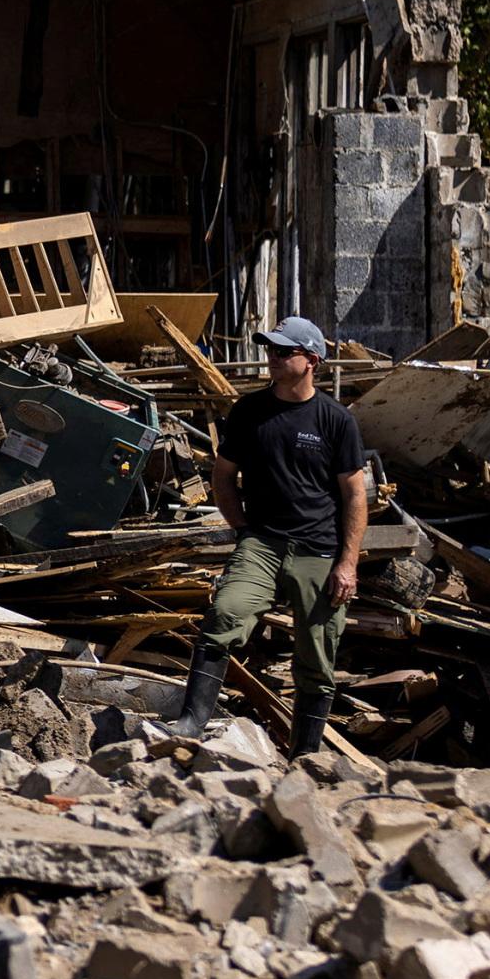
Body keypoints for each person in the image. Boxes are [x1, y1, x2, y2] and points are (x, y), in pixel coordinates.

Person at [168, 314, 368, 755]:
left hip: (318, 549)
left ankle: (306, 757)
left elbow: (355, 497)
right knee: (225, 613)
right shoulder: (250, 412)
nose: (272, 358)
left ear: (312, 359)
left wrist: (348, 562)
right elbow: (223, 477)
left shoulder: (336, 420)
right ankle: (191, 722)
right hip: (262, 542)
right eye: (270, 350)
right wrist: (242, 529)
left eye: (283, 351)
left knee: (317, 654)